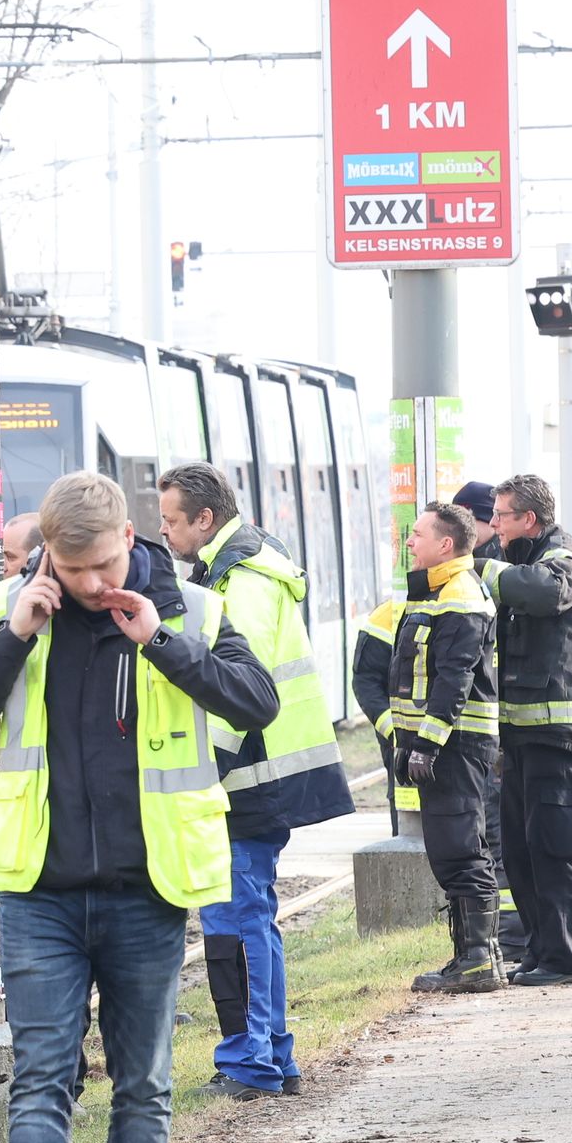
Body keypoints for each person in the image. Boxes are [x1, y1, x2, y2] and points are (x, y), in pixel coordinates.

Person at [0, 470, 277, 1143]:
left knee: (144, 1086)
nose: (92, 585)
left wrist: (160, 638)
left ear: (131, 536)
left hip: (145, 890)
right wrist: (14, 633)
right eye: (72, 568)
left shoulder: (191, 607)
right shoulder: (5, 608)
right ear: (47, 554)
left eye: (103, 565)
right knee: (41, 1078)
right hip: (39, 890)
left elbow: (255, 702)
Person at [157, 463, 356, 1098]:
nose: (164, 533)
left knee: (236, 921)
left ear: (204, 519)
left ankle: (252, 1060)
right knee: (250, 918)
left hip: (245, 779)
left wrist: (199, 776)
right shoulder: (247, 567)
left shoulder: (239, 582)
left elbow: (235, 691)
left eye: (170, 520)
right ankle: (270, 1053)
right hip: (264, 775)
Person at [372, 501, 505, 994]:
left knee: (462, 848)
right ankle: (469, 957)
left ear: (445, 544)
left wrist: (426, 746)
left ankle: (478, 961)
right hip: (439, 746)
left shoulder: (462, 595)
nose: (410, 542)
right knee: (449, 849)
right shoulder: (436, 591)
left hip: (455, 746)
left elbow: (454, 678)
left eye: (418, 535)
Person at [483, 474, 572, 984]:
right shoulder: (523, 559)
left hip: (559, 736)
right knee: (521, 848)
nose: (494, 526)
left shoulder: (565, 559)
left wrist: (479, 568)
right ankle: (539, 949)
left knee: (554, 849)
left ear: (527, 519)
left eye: (501, 516)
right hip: (521, 736)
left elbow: (548, 593)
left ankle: (565, 957)